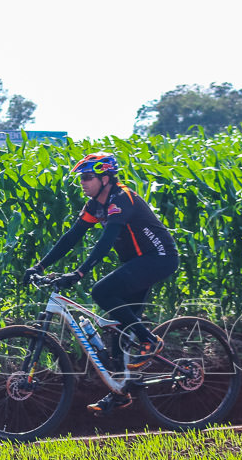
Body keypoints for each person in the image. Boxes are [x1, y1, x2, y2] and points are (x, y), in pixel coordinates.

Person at [22, 152, 179, 415]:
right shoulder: (95, 205)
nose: (83, 182)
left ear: (105, 178)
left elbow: (107, 240)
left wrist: (80, 273)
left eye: (88, 177)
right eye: (81, 178)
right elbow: (71, 237)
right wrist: (40, 266)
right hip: (136, 263)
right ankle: (121, 391)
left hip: (159, 258)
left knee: (102, 292)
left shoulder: (121, 198)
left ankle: (151, 341)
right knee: (120, 328)